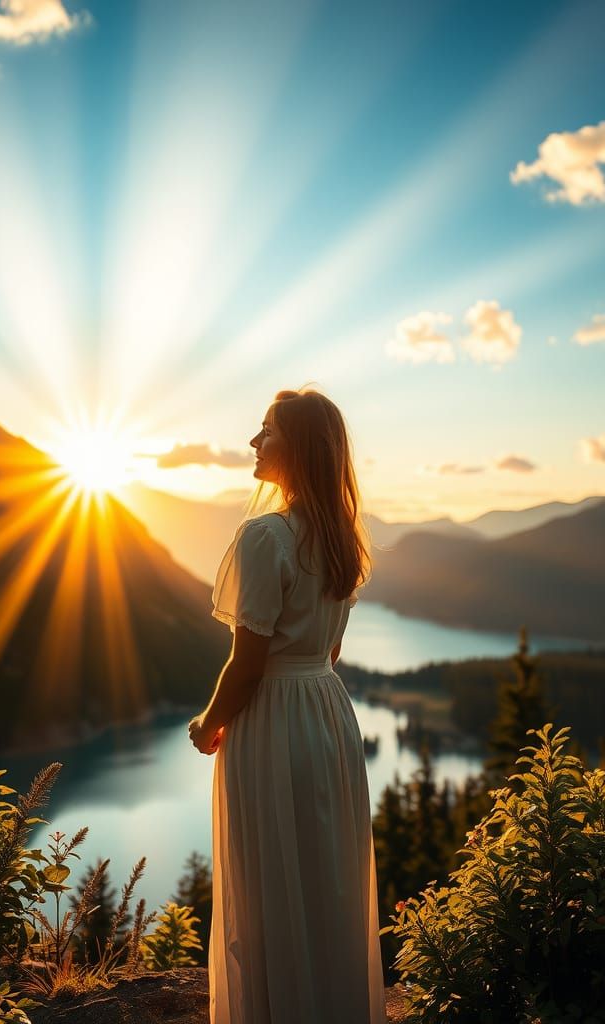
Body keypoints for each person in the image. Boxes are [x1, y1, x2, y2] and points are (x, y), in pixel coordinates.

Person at [188, 387, 387, 1024]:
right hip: (328, 716)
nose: (254, 442)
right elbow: (329, 652)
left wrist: (208, 723)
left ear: (296, 447)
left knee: (266, 879)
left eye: (266, 431)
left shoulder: (264, 536)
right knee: (325, 876)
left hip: (272, 719)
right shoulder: (340, 537)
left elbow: (247, 665)